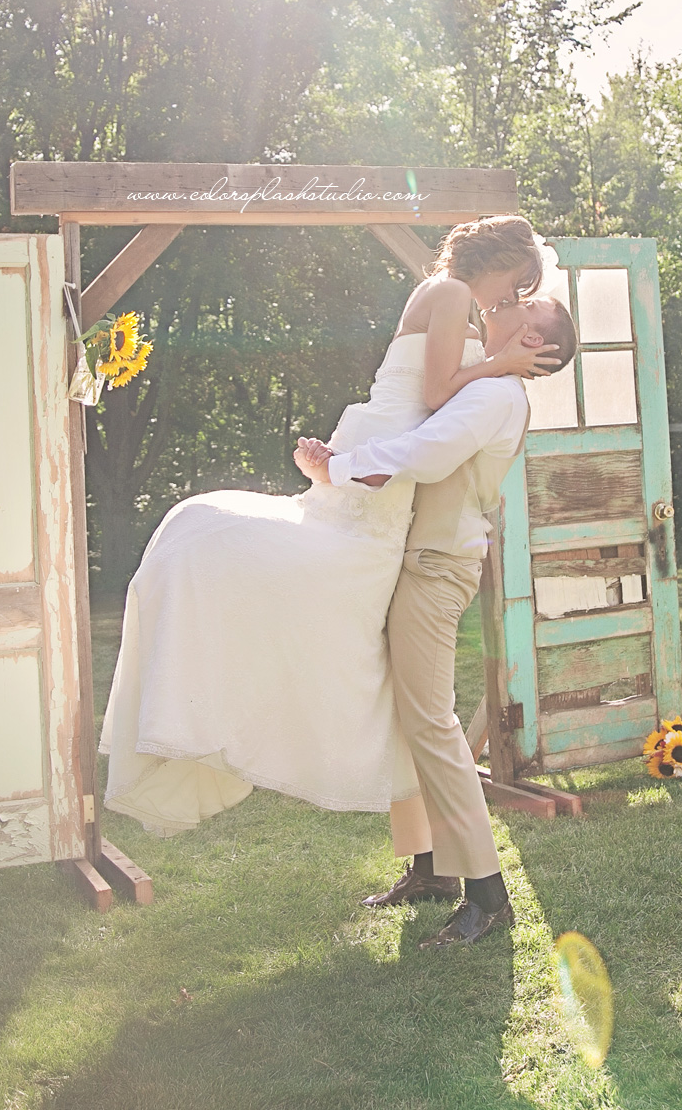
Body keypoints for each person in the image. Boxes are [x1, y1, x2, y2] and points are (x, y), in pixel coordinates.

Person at [100, 216, 561, 836]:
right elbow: (436, 390)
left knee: (356, 617)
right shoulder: (453, 295)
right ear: (496, 261)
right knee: (351, 605)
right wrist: (502, 361)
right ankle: (293, 722)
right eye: (513, 285)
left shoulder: (450, 302)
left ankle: (414, 837)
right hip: (384, 454)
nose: (508, 300)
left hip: (380, 448)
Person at [295, 291, 578, 948]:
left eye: (521, 304)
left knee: (431, 719)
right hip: (419, 555)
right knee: (409, 715)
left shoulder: (497, 396)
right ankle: (428, 868)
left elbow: (424, 451)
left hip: (436, 563)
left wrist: (334, 467)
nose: (504, 303)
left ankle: (487, 892)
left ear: (533, 340)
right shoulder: (487, 382)